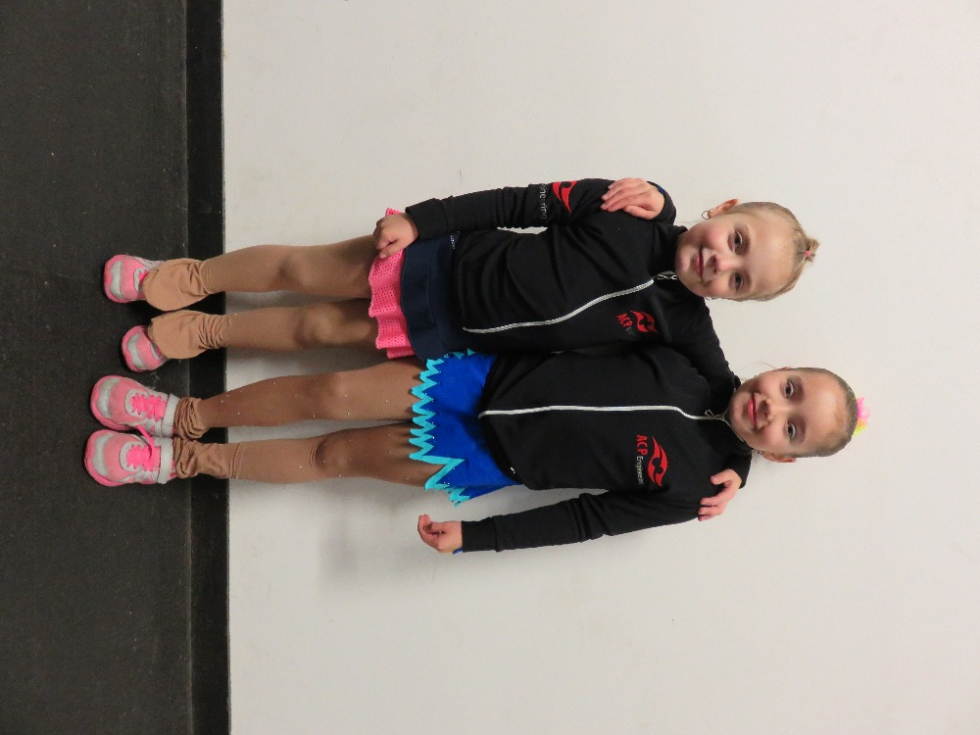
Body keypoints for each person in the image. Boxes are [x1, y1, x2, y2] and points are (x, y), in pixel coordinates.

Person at [84, 344, 862, 553]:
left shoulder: (697, 486)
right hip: (477, 378)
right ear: (780, 367)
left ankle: (178, 460)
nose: (775, 407)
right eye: (791, 388)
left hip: (481, 455)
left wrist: (481, 537)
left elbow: (588, 519)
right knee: (330, 391)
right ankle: (181, 413)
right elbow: (680, 260)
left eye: (791, 428)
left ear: (784, 455)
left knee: (332, 455)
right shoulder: (694, 350)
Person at [103, 178, 817, 401]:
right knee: (300, 270)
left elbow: (724, 388)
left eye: (739, 280)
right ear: (725, 209)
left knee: (315, 330)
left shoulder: (681, 323)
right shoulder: (633, 208)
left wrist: (741, 464)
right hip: (436, 261)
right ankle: (187, 277)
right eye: (736, 240)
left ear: (732, 300)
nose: (719, 263)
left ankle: (203, 332)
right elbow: (518, 202)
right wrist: (423, 221)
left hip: (445, 330)